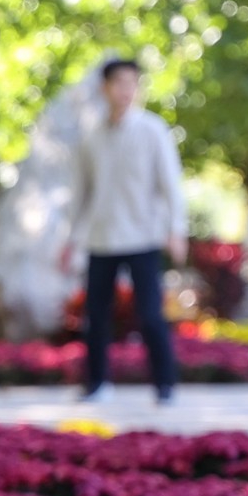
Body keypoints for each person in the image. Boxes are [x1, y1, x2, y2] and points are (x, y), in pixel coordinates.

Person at [62, 56, 187, 405]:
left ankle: (165, 384)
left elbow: (170, 185)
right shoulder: (91, 136)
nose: (126, 91)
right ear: (105, 87)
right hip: (101, 238)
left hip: (144, 237)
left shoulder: (153, 130)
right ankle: (97, 383)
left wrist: (176, 229)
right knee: (96, 316)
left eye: (133, 83)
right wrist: (71, 238)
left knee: (150, 314)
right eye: (120, 83)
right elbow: (80, 192)